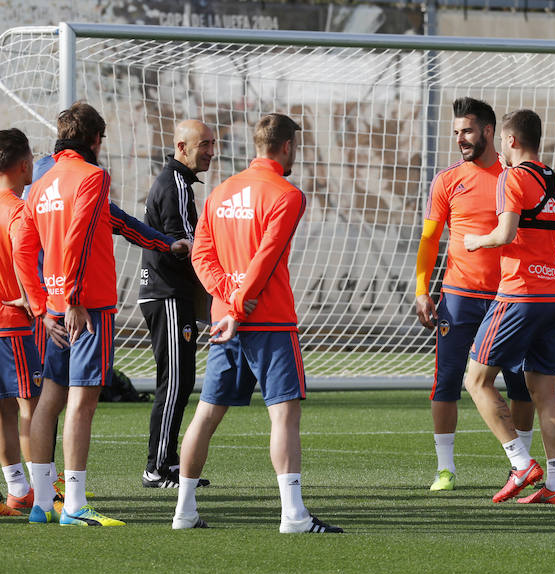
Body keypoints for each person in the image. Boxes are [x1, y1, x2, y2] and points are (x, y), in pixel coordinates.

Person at [14, 102, 189, 526]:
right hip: (87, 307)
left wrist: (42, 306)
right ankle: (74, 505)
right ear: (95, 139)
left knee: (49, 400)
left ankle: (41, 503)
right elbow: (78, 236)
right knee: (82, 403)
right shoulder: (92, 177)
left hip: (53, 309)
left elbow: (24, 246)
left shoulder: (40, 183)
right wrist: (74, 297)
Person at [173, 113, 341, 533]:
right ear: (287, 147)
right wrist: (239, 307)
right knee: (284, 417)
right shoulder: (287, 194)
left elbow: (200, 256)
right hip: (266, 320)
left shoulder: (220, 191)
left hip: (225, 320)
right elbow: (265, 261)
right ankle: (293, 515)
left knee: (207, 414)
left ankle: (183, 511)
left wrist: (227, 301)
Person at [415, 97, 535, 491]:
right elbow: (430, 239)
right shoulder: (448, 180)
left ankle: (521, 463)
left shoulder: (514, 175)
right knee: (447, 381)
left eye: (467, 131)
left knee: (521, 384)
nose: (460, 139)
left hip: (510, 297)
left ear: (488, 131)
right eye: (456, 133)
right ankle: (445, 470)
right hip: (459, 296)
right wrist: (422, 289)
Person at [463, 109, 555, 504]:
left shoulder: (512, 176)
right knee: (545, 392)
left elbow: (506, 233)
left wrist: (477, 241)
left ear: (509, 141)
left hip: (521, 293)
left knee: (476, 379)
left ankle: (521, 462)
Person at [139, 120, 215, 489]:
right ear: (181, 147)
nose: (211, 151)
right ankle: (156, 467)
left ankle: (167, 463)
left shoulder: (180, 184)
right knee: (174, 382)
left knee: (181, 380)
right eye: (204, 144)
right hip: (166, 293)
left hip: (170, 293)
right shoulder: (176, 186)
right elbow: (181, 245)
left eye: (212, 144)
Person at [0, 128, 39, 516]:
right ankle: (46, 493)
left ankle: (17, 491)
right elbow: (24, 263)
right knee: (32, 408)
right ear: (25, 164)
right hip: (12, 325)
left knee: (4, 411)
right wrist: (31, 299)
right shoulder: (17, 209)